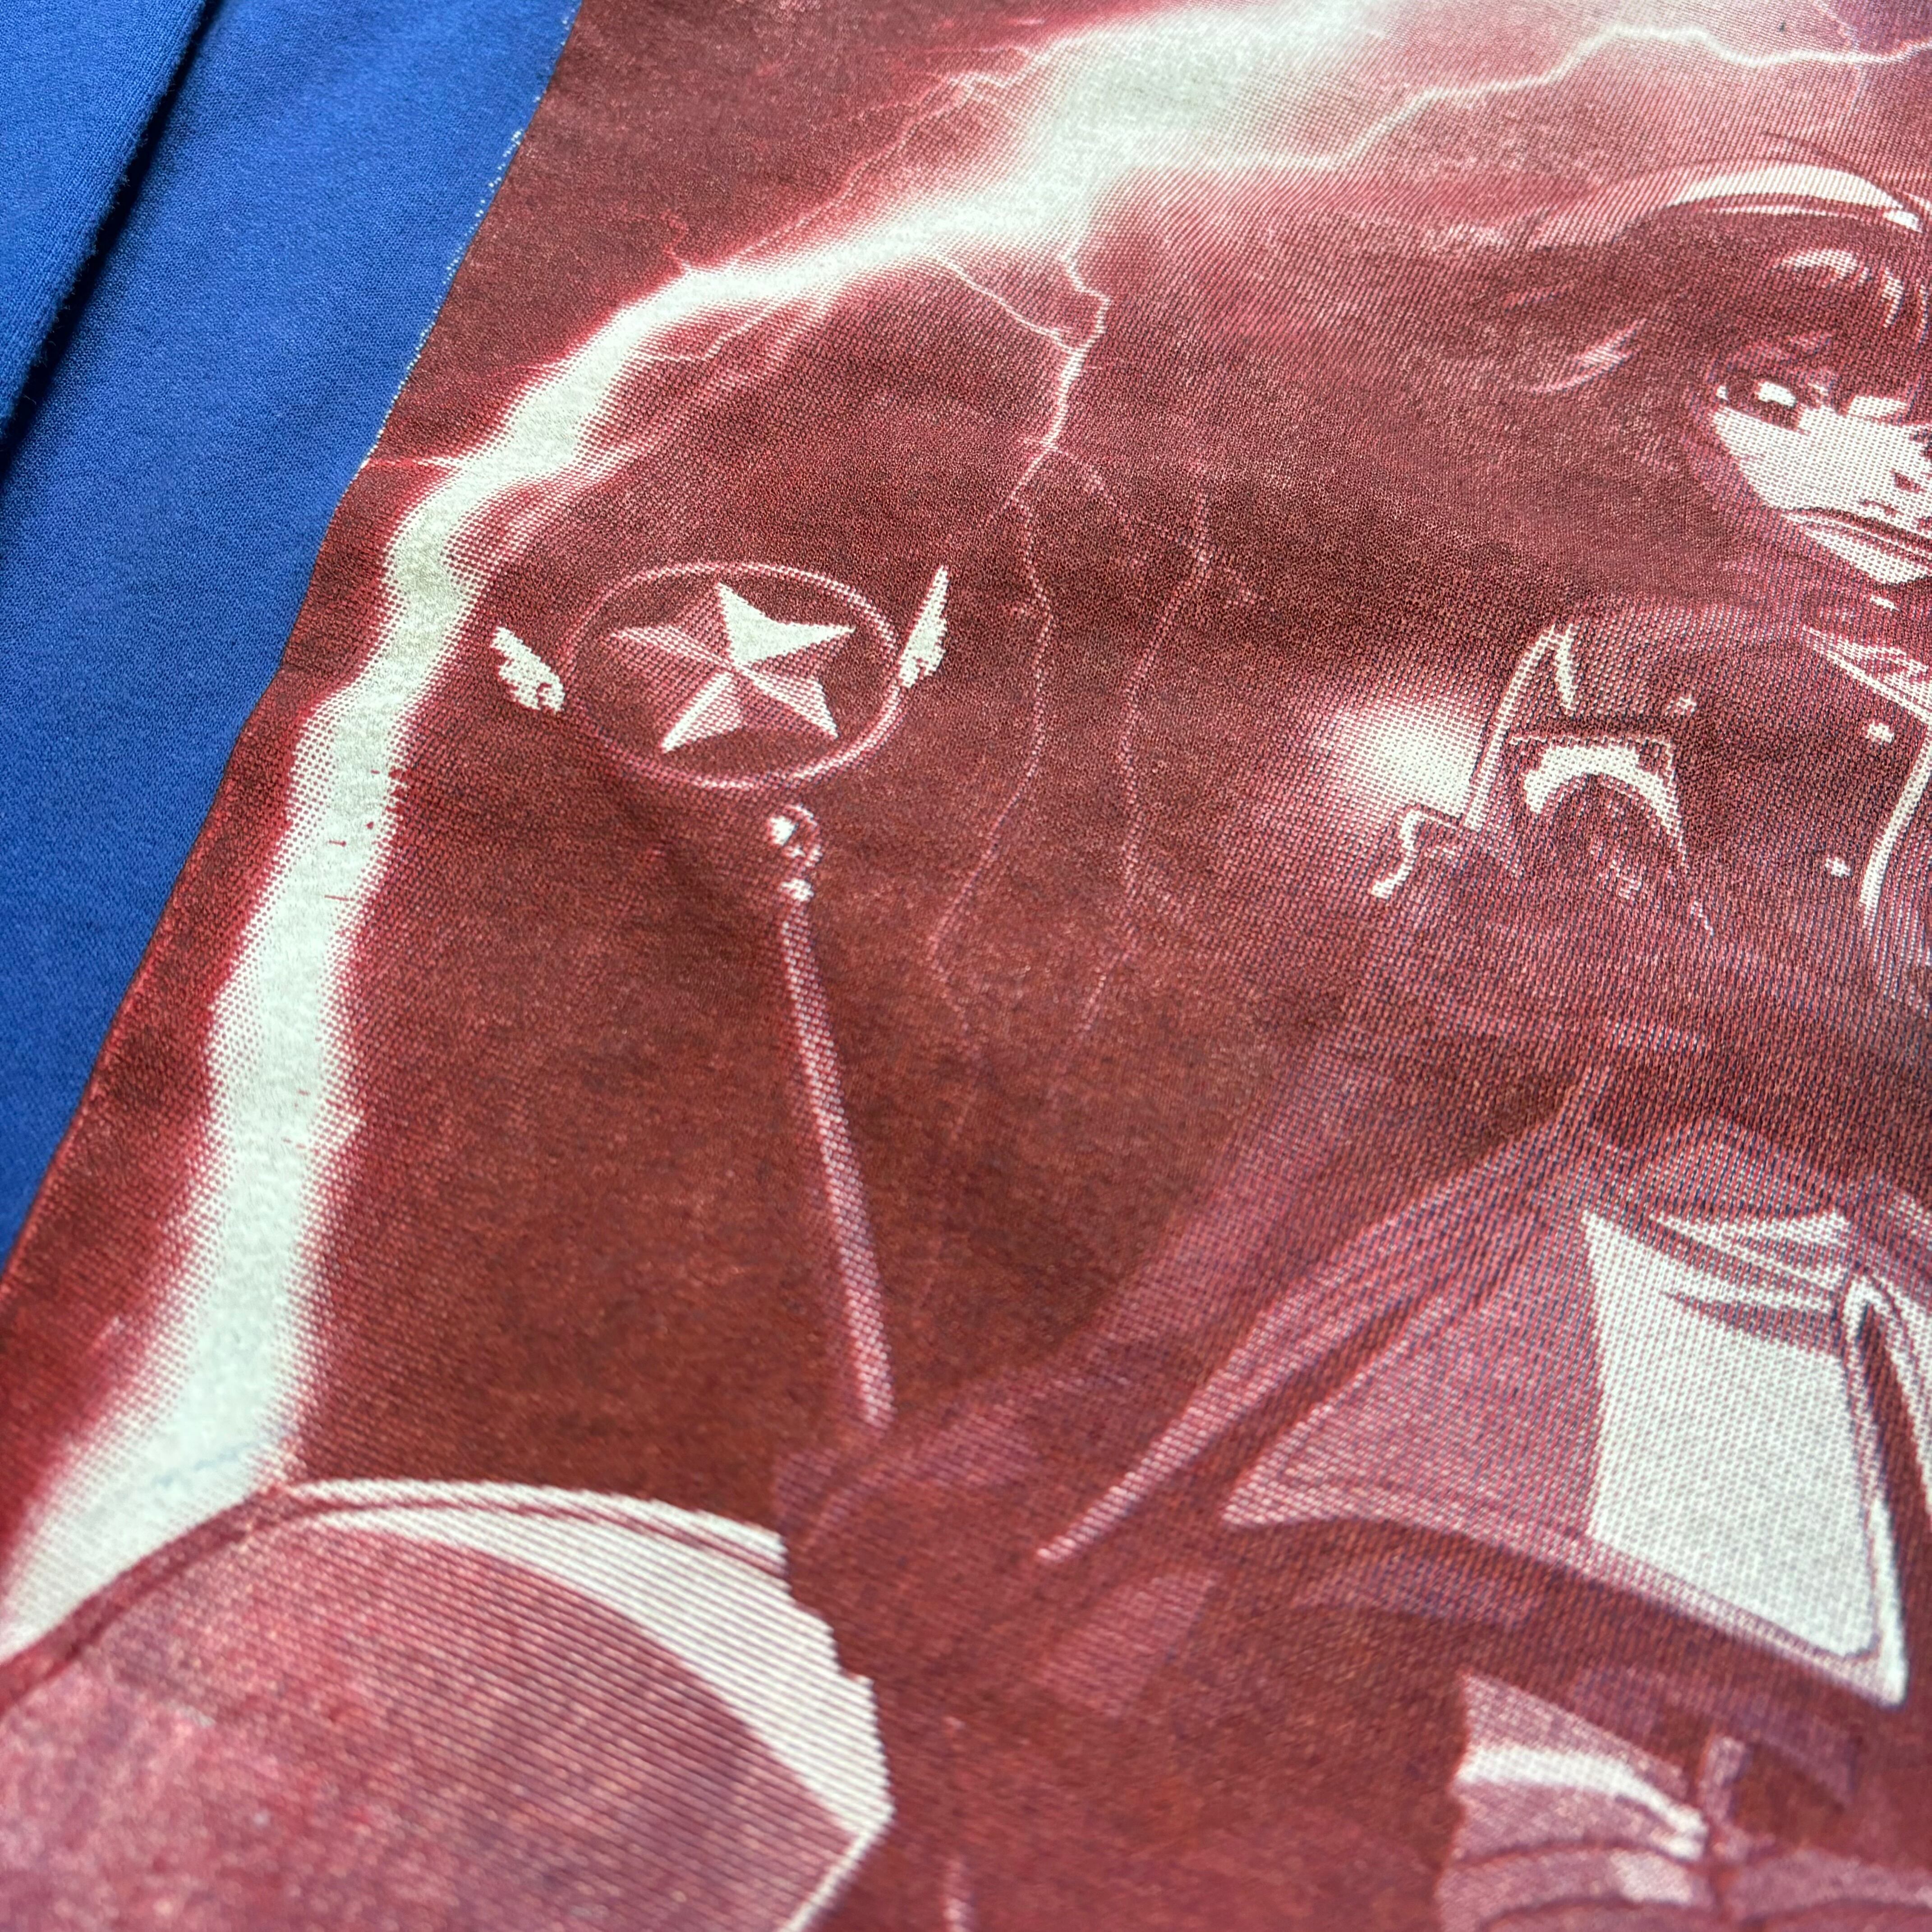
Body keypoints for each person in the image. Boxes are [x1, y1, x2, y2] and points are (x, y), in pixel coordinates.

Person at [788, 161, 1932, 1930]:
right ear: (1671, 414)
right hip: (1660, 1275)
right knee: (1571, 1740)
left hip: (1897, 1298)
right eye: (1780, 399)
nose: (1886, 465)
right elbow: (1418, 1048)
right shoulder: (1628, 672)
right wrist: (1118, 1379)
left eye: (1908, 409)